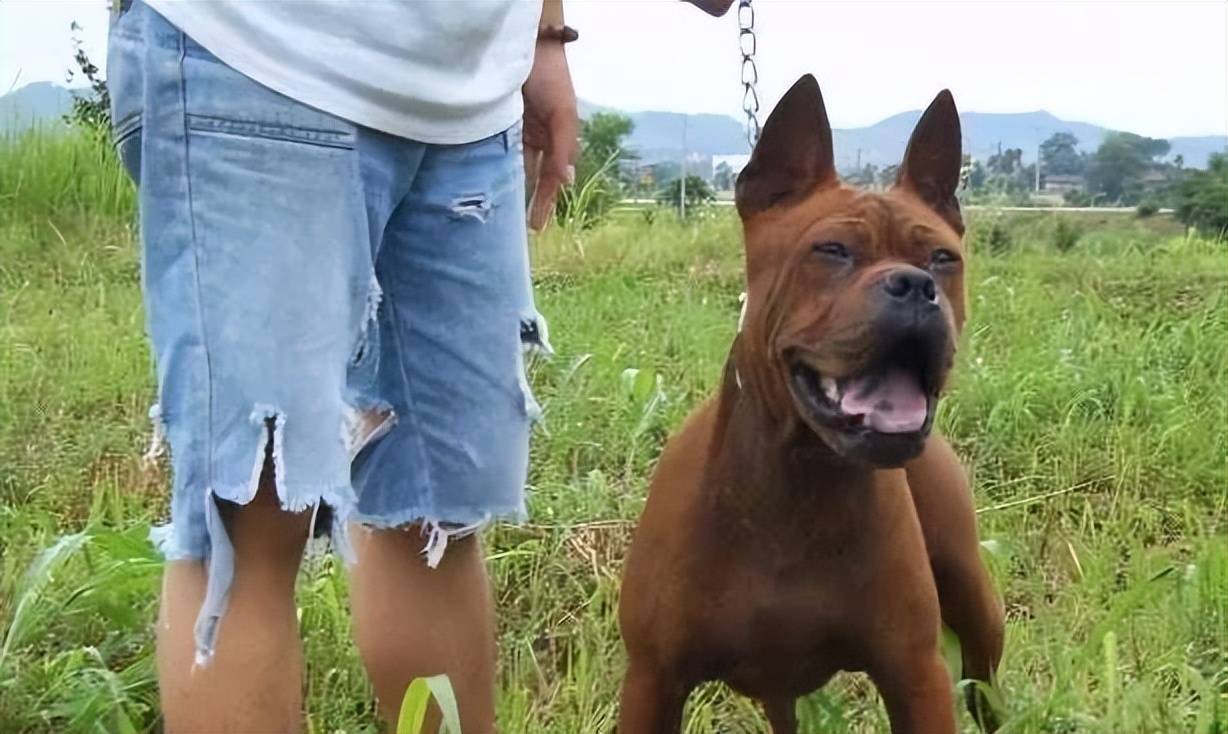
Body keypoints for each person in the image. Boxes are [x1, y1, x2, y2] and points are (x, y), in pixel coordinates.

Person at [106, 0, 731, 731]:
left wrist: (542, 33)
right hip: (255, 50)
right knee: (250, 512)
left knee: (437, 510)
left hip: (467, 95)